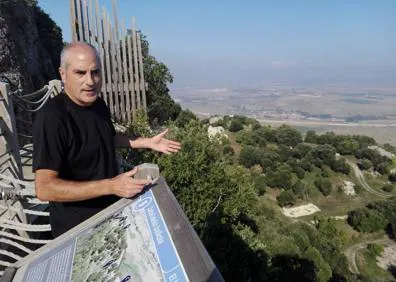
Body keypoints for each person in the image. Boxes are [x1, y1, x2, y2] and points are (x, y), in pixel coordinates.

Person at [33, 42, 181, 237]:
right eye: (80, 73)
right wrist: (111, 185)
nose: (90, 81)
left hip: (110, 214)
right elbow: (44, 188)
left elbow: (105, 138)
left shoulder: (97, 104)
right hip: (78, 229)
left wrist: (145, 142)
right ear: (63, 74)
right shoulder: (53, 118)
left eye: (95, 72)